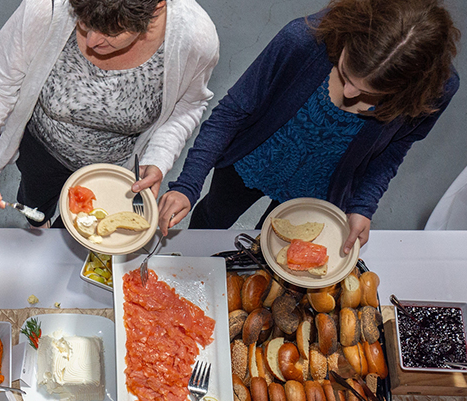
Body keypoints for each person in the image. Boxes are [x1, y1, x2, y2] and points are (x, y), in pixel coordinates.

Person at [158, 0, 460, 254]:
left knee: (272, 251)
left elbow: (392, 151)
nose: (350, 93)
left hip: (320, 188)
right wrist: (187, 185)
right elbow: (232, 112)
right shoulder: (302, 40)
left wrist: (362, 205)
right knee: (213, 216)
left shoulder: (435, 91)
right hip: (253, 159)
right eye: (345, 74)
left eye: (371, 93)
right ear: (348, 38)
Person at [0, 0, 219, 226]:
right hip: (42, 149)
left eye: (112, 31)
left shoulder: (195, 40)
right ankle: (37, 225)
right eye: (84, 23)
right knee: (34, 204)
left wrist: (159, 157)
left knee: (86, 231)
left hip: (114, 171)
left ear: (156, 6)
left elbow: (188, 105)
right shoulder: (47, 6)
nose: (91, 41)